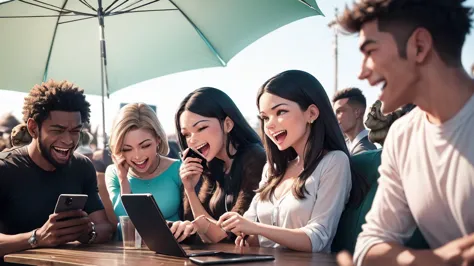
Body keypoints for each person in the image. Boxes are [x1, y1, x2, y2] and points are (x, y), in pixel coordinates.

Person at [337, 0, 474, 265]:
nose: (362, 72)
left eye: (370, 51)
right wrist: (440, 259)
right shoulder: (402, 135)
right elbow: (369, 246)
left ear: (419, 46)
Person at [217, 70, 369, 253]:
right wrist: (246, 236)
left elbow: (318, 238)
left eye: (280, 111)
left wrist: (256, 228)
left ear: (311, 113)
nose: (270, 125)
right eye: (265, 118)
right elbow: (250, 226)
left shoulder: (334, 161)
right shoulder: (272, 169)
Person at [0, 80, 114, 262]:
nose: (68, 140)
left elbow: (105, 228)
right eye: (58, 130)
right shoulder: (5, 169)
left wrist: (88, 233)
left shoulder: (82, 167)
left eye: (75, 131)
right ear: (33, 128)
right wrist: (36, 238)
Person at [175, 87, 266, 243]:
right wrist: (189, 188)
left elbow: (232, 234)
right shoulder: (214, 165)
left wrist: (201, 224)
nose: (192, 140)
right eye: (187, 134)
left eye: (201, 128)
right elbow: (196, 227)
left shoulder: (255, 158)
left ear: (228, 124)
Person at [105, 103, 192, 241]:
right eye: (128, 149)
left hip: (170, 251)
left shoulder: (177, 169)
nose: (137, 156)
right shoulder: (114, 173)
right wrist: (123, 180)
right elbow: (126, 220)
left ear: (158, 139)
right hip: (127, 252)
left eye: (145, 145)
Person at [333, 88, 376, 155]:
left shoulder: (365, 151)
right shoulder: (343, 146)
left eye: (339, 111)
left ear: (357, 113)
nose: (335, 118)